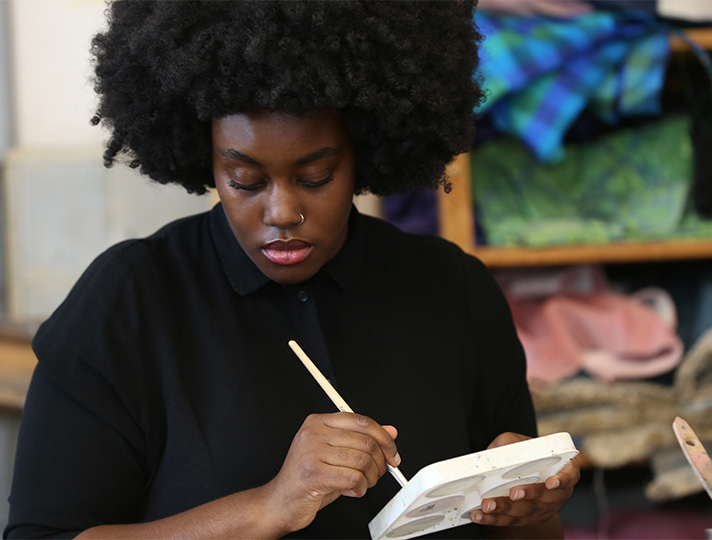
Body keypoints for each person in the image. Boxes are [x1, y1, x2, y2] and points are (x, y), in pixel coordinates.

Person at [5, 1, 580, 539]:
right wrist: (269, 506)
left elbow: (531, 532)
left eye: (315, 177)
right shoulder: (126, 301)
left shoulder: (455, 290)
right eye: (245, 180)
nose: (282, 212)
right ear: (206, 157)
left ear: (363, 153)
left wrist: (529, 509)